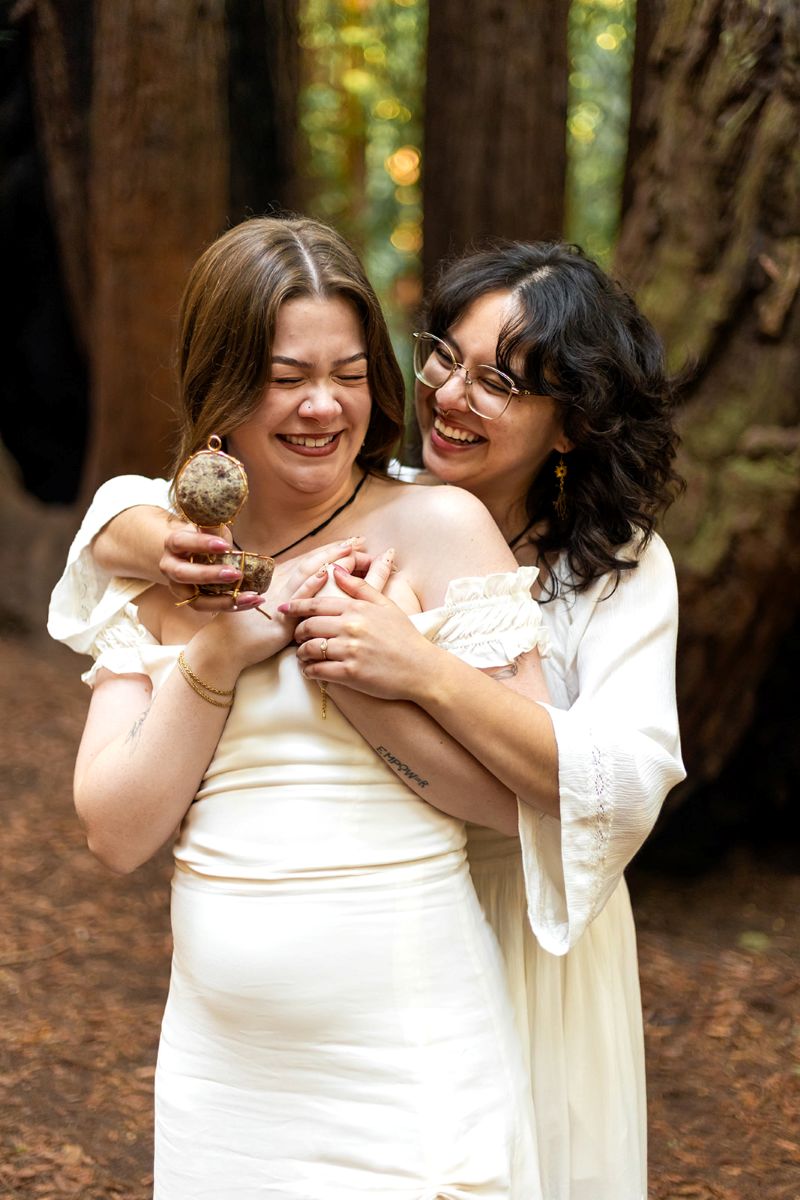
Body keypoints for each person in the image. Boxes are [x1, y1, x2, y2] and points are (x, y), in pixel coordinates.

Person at [49, 233, 686, 1200]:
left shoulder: (512, 544)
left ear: (571, 424)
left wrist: (390, 668)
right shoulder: (183, 548)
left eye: (349, 372)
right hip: (223, 1080)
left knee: (567, 1154)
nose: (455, 397)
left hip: (469, 987)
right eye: (447, 361)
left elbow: (570, 788)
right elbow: (113, 824)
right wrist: (208, 630)